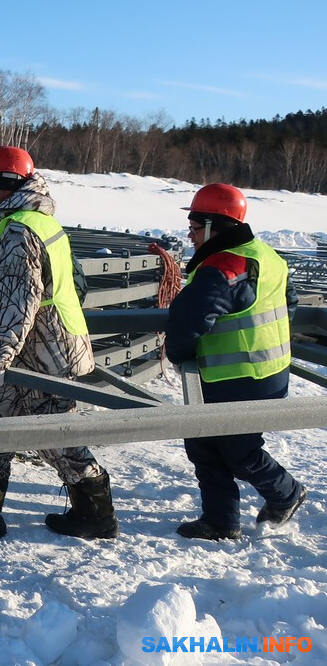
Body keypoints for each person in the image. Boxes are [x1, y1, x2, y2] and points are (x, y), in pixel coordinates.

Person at [0, 146, 118, 541]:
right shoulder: (41, 222)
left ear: (5, 184)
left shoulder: (19, 232)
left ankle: (95, 513)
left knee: (54, 437)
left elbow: (16, 303)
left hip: (44, 353)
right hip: (45, 348)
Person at [165, 183, 306, 540]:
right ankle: (220, 520)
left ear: (214, 226)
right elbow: (289, 304)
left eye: (196, 227)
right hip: (266, 372)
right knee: (206, 443)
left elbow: (192, 317)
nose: (191, 235)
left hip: (237, 377)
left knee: (234, 449)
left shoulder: (225, 265)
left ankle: (285, 492)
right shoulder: (266, 255)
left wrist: (179, 354)